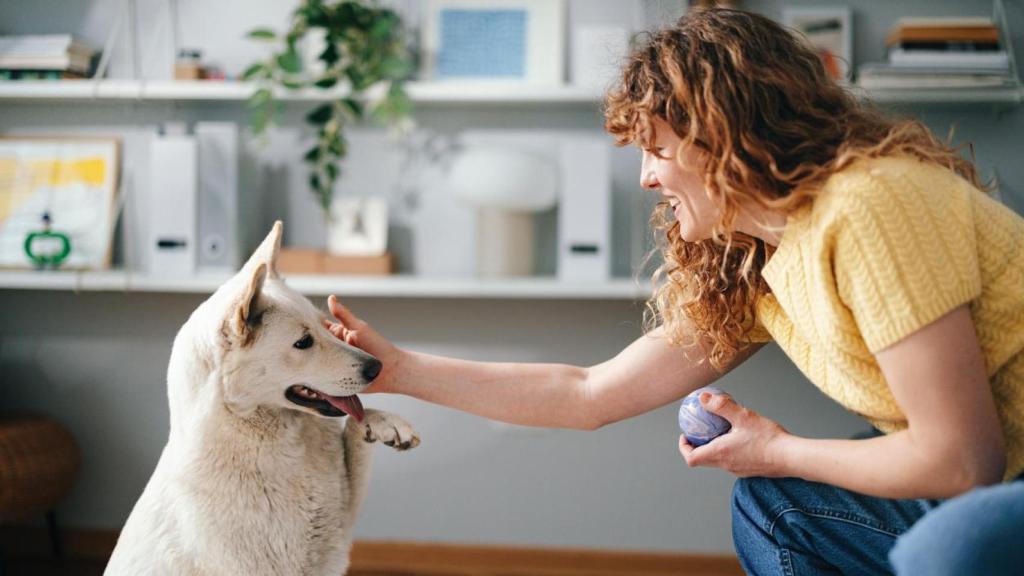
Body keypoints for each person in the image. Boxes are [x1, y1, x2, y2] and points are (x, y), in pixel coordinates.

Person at [323, 8, 1024, 575]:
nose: (646, 179)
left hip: (996, 483)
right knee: (777, 504)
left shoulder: (870, 206)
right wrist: (401, 372)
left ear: (722, 135)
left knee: (820, 511)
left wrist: (776, 448)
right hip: (992, 479)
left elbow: (962, 460)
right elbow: (586, 393)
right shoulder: (757, 262)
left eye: (656, 148)